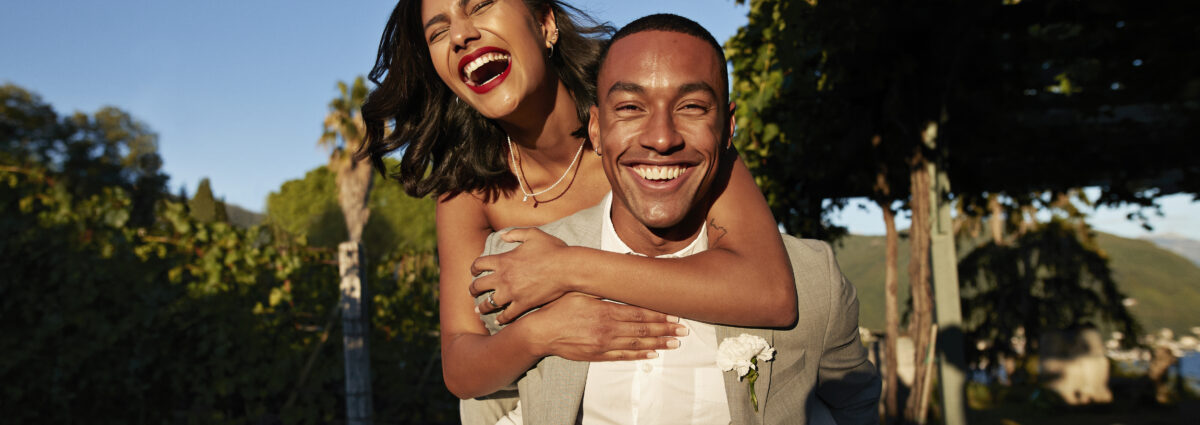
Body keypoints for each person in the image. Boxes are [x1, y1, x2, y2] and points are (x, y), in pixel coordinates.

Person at [358, 0, 799, 410]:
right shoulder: (466, 190)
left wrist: (564, 268)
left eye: (481, 5)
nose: (460, 36)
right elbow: (460, 366)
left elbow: (769, 291)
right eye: (438, 33)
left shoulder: (650, 126)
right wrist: (539, 333)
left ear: (546, 23)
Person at [473, 14, 881, 424]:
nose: (662, 138)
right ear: (596, 129)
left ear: (728, 128)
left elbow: (854, 407)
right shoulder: (520, 266)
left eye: (692, 107)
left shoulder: (813, 283)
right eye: (631, 107)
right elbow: (486, 403)